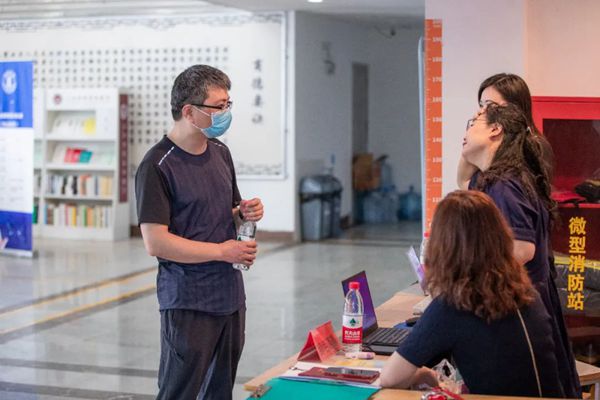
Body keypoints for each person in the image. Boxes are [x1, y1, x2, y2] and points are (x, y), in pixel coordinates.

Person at [135, 64, 264, 400]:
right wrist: (222, 251)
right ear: (189, 112)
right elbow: (156, 242)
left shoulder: (220, 152)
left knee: (219, 392)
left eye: (228, 104)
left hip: (229, 297)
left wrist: (243, 214)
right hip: (188, 302)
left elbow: (226, 214)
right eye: (218, 106)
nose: (226, 113)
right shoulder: (157, 165)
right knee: (180, 391)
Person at [380, 190, 564, 397]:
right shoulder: (526, 292)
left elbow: (389, 378)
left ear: (444, 246)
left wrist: (422, 374)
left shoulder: (453, 305)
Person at [457, 102, 580, 397]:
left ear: (496, 130)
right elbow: (462, 181)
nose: (465, 132)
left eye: (473, 123)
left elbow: (522, 250)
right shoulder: (490, 179)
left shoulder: (505, 185)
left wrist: (468, 277)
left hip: (521, 315)